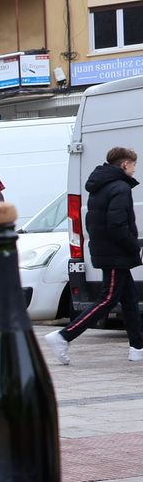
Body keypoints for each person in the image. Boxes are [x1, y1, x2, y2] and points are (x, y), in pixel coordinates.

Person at [46, 147, 141, 365]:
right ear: (125, 164)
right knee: (108, 299)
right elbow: (117, 224)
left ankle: (137, 347)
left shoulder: (100, 186)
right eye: (134, 165)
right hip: (116, 253)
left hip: (106, 250)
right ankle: (63, 336)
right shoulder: (120, 187)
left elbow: (92, 220)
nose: (135, 169)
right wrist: (133, 246)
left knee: (129, 299)